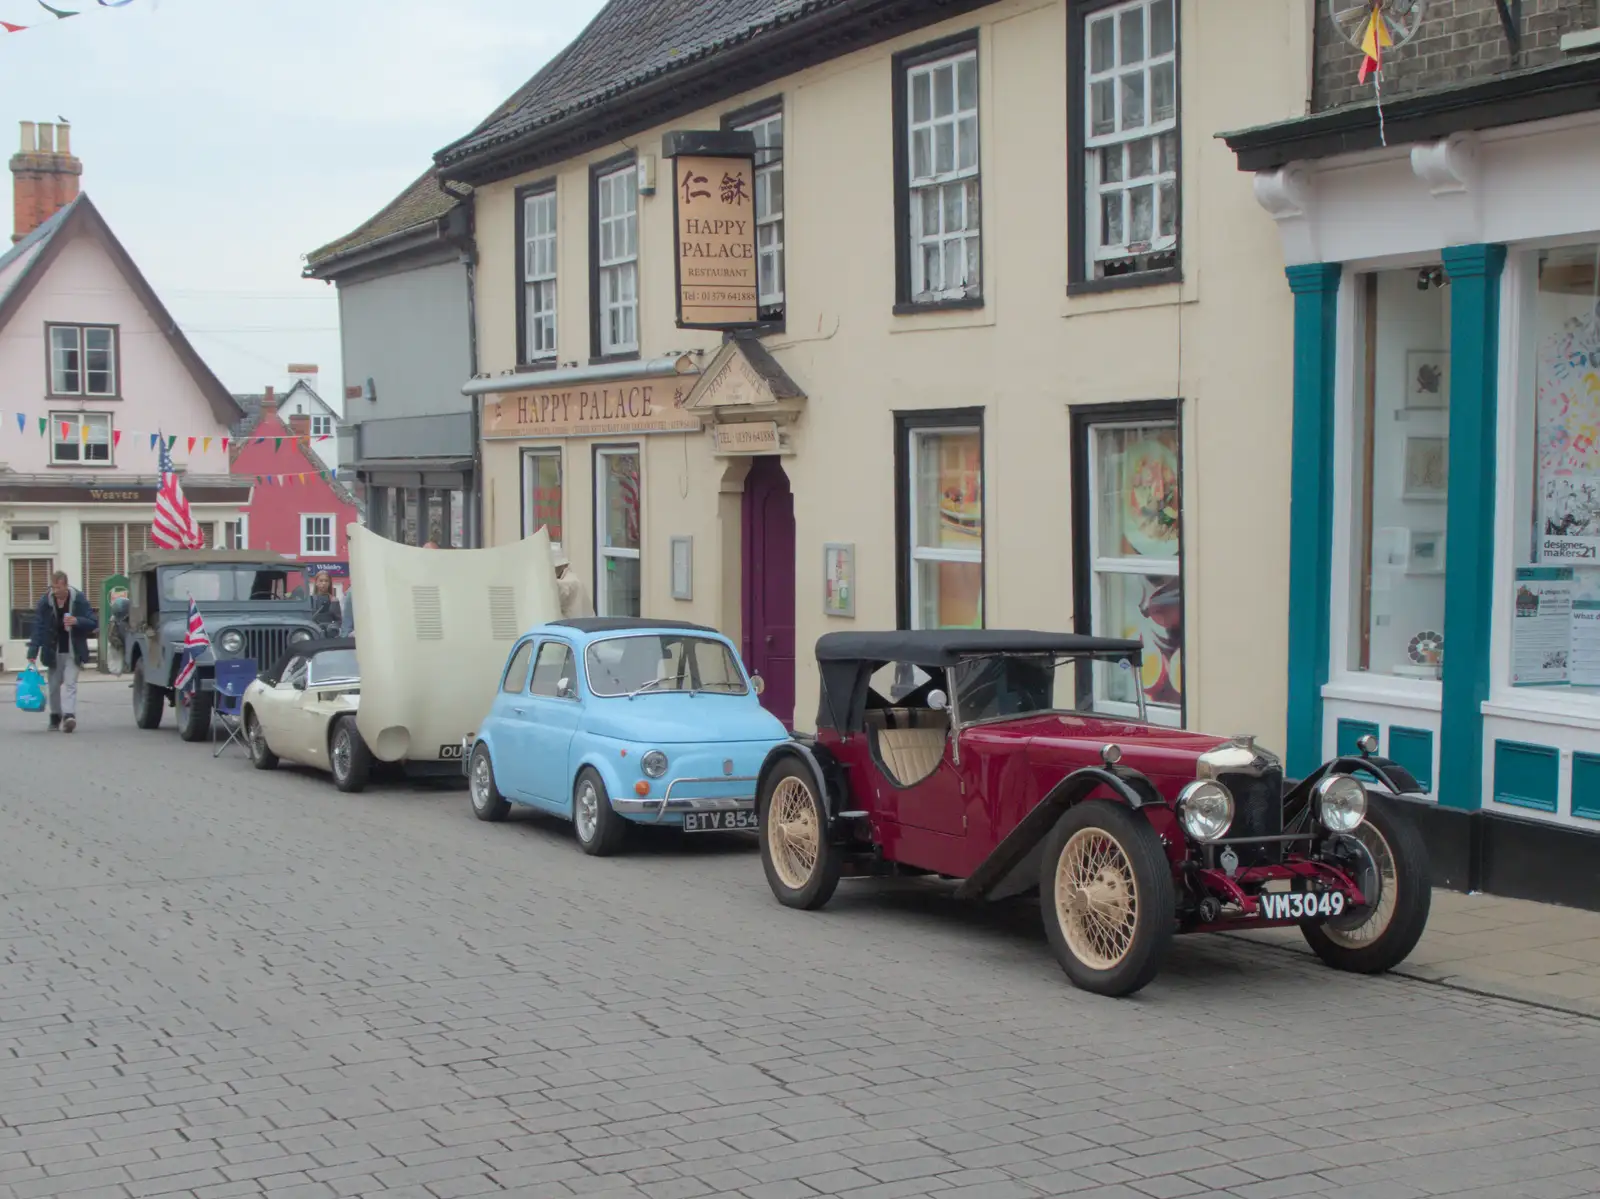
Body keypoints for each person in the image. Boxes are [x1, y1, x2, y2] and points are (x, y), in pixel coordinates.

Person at [26, 570, 98, 733]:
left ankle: (69, 716)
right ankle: (55, 715)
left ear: (65, 585)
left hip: (73, 649)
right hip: (53, 649)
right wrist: (33, 652)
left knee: (70, 683)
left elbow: (93, 622)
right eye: (53, 587)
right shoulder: (46, 602)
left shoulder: (78, 599)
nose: (55, 591)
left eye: (58, 587)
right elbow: (39, 626)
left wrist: (77, 621)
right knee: (53, 685)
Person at [554, 550, 594, 619]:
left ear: (563, 566)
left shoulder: (570, 581)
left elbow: (560, 588)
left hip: (576, 624)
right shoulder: (572, 578)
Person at [309, 570, 341, 634]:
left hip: (329, 633)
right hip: (313, 633)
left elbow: (339, 620)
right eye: (321, 580)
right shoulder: (310, 599)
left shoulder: (334, 600)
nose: (324, 583)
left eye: (326, 581)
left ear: (329, 583)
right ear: (316, 582)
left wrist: (333, 626)